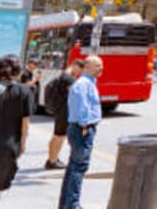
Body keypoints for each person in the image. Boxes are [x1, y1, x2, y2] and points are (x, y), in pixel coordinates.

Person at [0, 56, 32, 209]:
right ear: (18, 72)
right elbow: (25, 123)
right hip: (7, 149)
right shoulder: (24, 91)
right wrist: (22, 144)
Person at [58, 56, 103, 209]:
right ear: (88, 67)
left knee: (73, 167)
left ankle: (66, 203)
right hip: (82, 128)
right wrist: (85, 126)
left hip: (80, 128)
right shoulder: (84, 84)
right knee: (79, 167)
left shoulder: (87, 83)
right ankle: (72, 204)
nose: (101, 68)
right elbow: (82, 107)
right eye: (98, 65)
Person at [44, 59, 86, 170]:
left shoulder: (63, 76)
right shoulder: (69, 79)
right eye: (80, 71)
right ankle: (52, 162)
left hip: (60, 110)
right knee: (59, 136)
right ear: (75, 65)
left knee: (57, 136)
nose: (79, 74)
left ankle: (53, 158)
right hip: (64, 111)